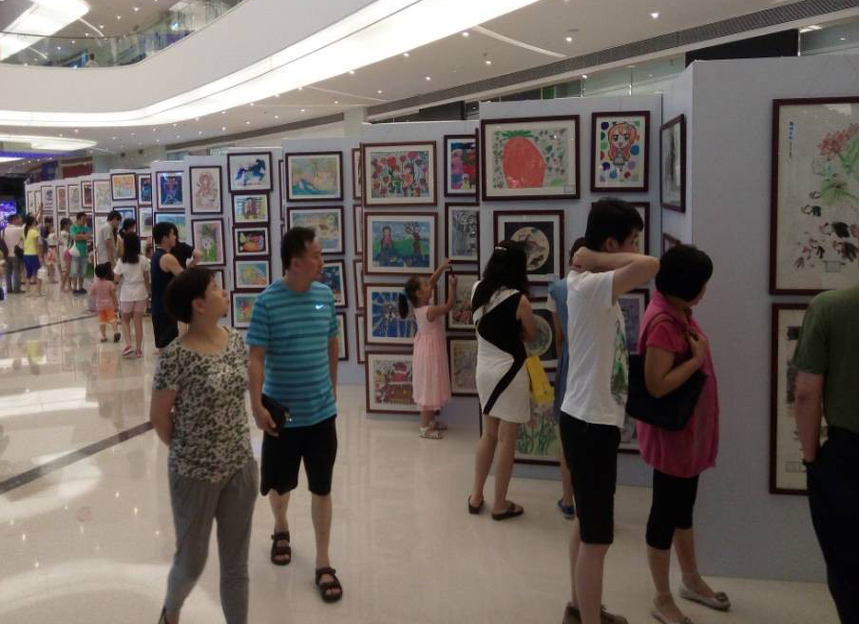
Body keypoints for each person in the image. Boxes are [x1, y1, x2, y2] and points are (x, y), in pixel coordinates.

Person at [560, 198, 658, 624]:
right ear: (612, 244)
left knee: (587, 525)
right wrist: (594, 256)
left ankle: (579, 608)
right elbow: (651, 265)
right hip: (590, 423)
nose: (637, 248)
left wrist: (594, 256)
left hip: (587, 418)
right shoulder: (589, 284)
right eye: (631, 240)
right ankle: (588, 617)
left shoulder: (592, 282)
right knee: (597, 539)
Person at [150, 267, 257, 624]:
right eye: (215, 288)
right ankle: (171, 611)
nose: (224, 292)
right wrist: (190, 449)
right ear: (198, 304)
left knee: (236, 565)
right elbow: (159, 417)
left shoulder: (235, 340)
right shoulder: (176, 356)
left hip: (240, 466)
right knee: (192, 560)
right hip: (193, 473)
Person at [247, 226, 343, 603]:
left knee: (323, 487)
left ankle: (323, 561)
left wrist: (333, 387)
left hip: (321, 414)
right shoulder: (267, 302)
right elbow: (256, 357)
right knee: (280, 486)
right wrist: (256, 405)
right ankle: (281, 527)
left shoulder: (324, 295)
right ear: (295, 262)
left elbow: (332, 342)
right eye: (316, 255)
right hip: (282, 415)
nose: (322, 261)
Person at [635, 244, 727, 624]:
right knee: (664, 514)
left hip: (686, 436)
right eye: (701, 284)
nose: (704, 291)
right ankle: (662, 597)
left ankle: (690, 579)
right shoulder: (663, 323)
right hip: (672, 438)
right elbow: (656, 385)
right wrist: (696, 360)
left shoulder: (678, 312)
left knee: (682, 509)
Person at [793, 282, 859, 623]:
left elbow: (806, 393)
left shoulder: (830, 308)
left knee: (848, 570)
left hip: (848, 456)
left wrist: (811, 459)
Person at [467, 240, 537, 521]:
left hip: (483, 371)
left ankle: (475, 496)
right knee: (507, 440)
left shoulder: (476, 289)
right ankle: (499, 504)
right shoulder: (520, 301)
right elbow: (531, 334)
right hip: (511, 372)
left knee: (488, 434)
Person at [548, 239, 588, 521]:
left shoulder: (557, 289)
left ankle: (568, 500)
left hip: (569, 363)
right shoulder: (602, 287)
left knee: (567, 437)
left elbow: (559, 337)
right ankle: (589, 502)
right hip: (593, 364)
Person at [397, 259, 455, 439]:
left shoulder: (419, 306)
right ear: (418, 293)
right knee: (429, 388)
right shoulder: (429, 310)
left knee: (431, 384)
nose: (430, 285)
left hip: (427, 351)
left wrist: (442, 268)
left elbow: (432, 281)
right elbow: (449, 306)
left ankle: (429, 421)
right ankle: (424, 428)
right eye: (425, 285)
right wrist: (453, 287)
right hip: (429, 353)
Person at [114, 233, 150, 359]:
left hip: (127, 293)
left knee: (125, 320)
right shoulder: (143, 259)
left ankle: (128, 345)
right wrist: (147, 293)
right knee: (138, 322)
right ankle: (139, 349)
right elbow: (146, 278)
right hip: (140, 292)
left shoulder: (121, 260)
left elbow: (116, 278)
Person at [151, 223, 184, 351]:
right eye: (172, 234)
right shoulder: (167, 258)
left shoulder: (156, 255)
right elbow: (186, 278)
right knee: (168, 348)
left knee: (164, 347)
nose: (175, 237)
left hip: (159, 307)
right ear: (165, 238)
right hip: (165, 309)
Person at [89, 263, 120, 343]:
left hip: (99, 306)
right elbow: (113, 295)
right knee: (112, 318)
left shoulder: (94, 284)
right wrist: (116, 304)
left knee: (102, 321)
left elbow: (91, 294)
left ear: (96, 274)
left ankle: (103, 336)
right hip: (109, 305)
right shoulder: (109, 284)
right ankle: (116, 331)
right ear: (106, 273)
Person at [69, 212, 91, 295]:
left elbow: (88, 237)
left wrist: (79, 235)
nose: (84, 221)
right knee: (74, 272)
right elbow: (74, 237)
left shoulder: (86, 228)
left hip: (84, 253)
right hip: (75, 253)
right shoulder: (73, 227)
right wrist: (83, 236)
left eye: (85, 220)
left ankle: (81, 287)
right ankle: (75, 288)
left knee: (82, 272)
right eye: (83, 220)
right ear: (78, 219)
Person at [21, 214, 43, 297]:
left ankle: (27, 292)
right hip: (33, 255)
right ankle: (38, 291)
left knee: (28, 274)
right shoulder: (34, 232)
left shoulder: (24, 231)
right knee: (38, 274)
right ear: (33, 222)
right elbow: (36, 245)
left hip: (26, 254)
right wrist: (40, 257)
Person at [3, 214, 24, 295]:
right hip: (16, 254)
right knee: (16, 271)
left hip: (6, 254)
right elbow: (27, 226)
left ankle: (9, 289)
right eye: (18, 219)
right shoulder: (18, 230)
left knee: (7, 273)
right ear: (14, 220)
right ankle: (16, 289)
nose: (20, 220)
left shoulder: (3, 231)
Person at [58, 217, 72, 292]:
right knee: (67, 271)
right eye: (69, 224)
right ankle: (62, 286)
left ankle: (69, 286)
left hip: (68, 250)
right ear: (65, 225)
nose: (70, 226)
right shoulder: (64, 233)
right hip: (67, 251)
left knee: (69, 271)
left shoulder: (65, 233)